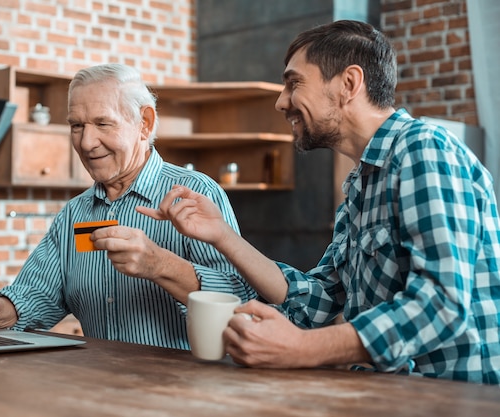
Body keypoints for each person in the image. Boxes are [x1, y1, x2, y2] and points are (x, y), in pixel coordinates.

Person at [137, 20, 500, 384]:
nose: (281, 101)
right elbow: (316, 303)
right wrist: (221, 235)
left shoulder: (424, 149)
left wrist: (301, 349)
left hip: (453, 400)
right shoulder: (361, 185)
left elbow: (442, 304)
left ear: (348, 84)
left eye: (294, 83)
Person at [0, 63, 256, 350]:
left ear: (145, 123)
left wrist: (160, 266)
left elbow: (240, 301)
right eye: (77, 126)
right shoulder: (75, 214)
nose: (87, 143)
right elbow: (36, 296)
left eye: (103, 123)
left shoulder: (196, 194)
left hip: (183, 391)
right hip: (99, 391)